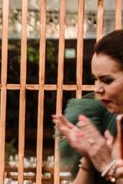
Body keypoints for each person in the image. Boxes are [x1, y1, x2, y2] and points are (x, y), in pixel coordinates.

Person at [53, 30, 123, 183]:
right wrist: (90, 157)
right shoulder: (112, 123)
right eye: (95, 79)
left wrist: (106, 165)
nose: (98, 89)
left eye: (107, 80)